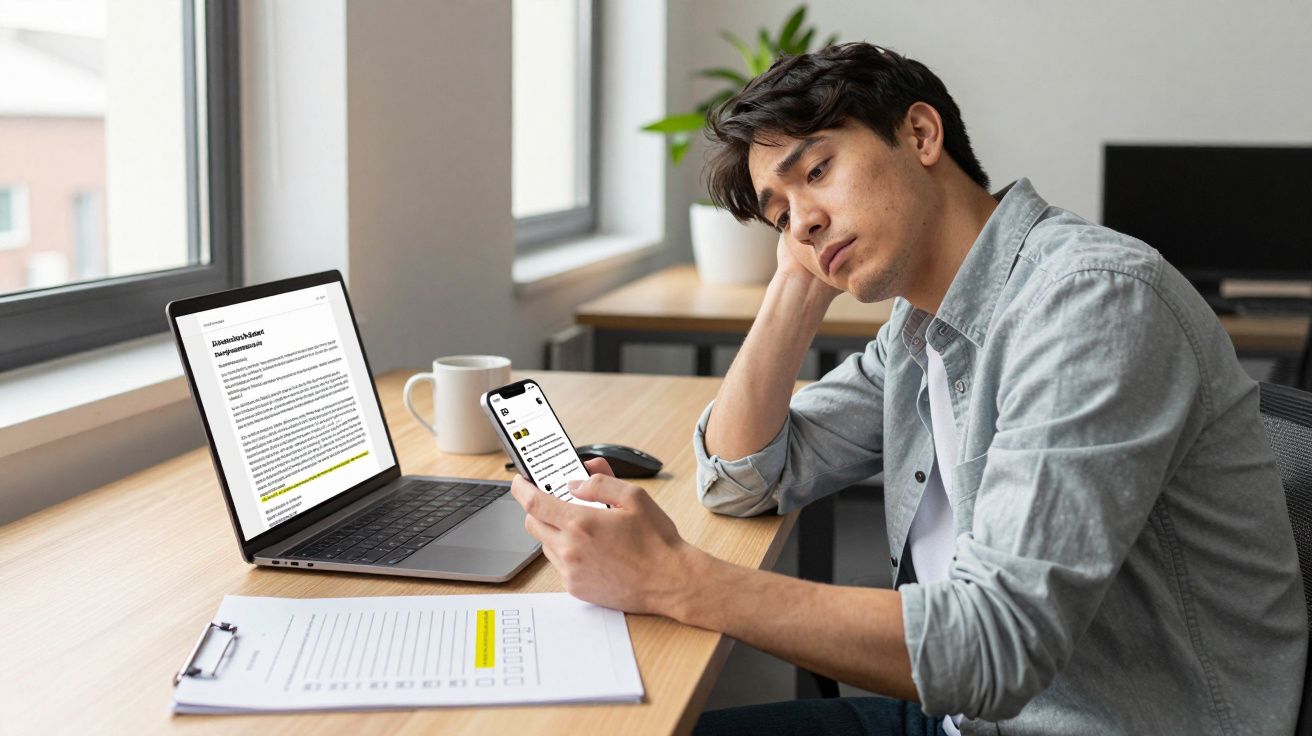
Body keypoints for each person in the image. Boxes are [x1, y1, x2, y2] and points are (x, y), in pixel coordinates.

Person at [507, 42, 1307, 735]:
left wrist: (677, 580)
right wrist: (797, 277)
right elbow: (744, 476)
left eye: (818, 170)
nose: (804, 222)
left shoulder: (1091, 301)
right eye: (780, 213)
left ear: (921, 134)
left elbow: (996, 645)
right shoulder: (924, 328)